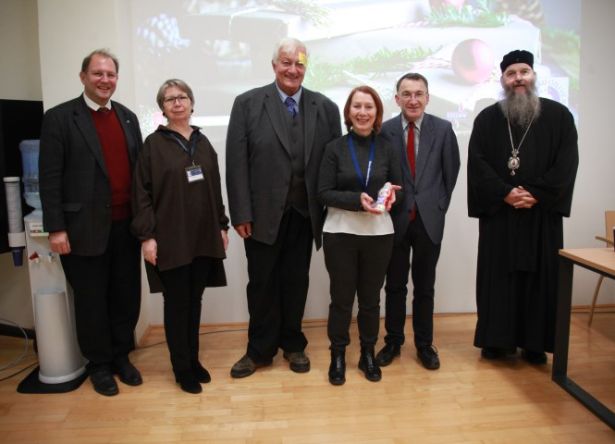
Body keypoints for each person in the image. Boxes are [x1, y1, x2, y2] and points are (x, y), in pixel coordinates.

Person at [226, 37, 341, 378]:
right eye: (287, 62)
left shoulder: (326, 108)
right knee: (261, 284)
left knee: (296, 282)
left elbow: (333, 165)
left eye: (300, 64)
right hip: (260, 216)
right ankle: (259, 350)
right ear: (274, 65)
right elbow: (236, 164)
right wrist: (241, 212)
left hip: (304, 214)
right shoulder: (247, 104)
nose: (293, 69)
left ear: (306, 68)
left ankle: (293, 344)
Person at [39, 49, 143, 396]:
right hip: (82, 229)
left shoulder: (128, 118)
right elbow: (49, 177)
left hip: (125, 227)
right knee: (91, 300)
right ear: (83, 76)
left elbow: (139, 177)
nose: (105, 80)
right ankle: (98, 365)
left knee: (125, 297)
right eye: (98, 73)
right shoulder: (60, 118)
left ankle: (120, 357)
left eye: (111, 74)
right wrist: (56, 228)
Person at [467, 50, 578, 364]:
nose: (518, 78)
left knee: (540, 280)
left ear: (534, 75)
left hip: (540, 217)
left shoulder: (559, 116)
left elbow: (567, 163)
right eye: (511, 73)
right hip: (501, 216)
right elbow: (477, 163)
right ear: (502, 79)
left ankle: (535, 343)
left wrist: (536, 193)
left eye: (524, 72)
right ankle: (496, 340)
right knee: (497, 279)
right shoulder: (488, 118)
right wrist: (505, 193)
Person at [131, 79, 229, 394]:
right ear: (162, 107)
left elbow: (215, 188)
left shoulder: (203, 142)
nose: (177, 102)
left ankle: (194, 360)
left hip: (202, 236)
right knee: (177, 303)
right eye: (170, 98)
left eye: (182, 97)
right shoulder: (153, 145)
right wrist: (147, 236)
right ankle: (181, 368)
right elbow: (141, 195)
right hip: (170, 238)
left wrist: (222, 225)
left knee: (194, 300)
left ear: (191, 103)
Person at [318, 86, 402, 385]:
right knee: (341, 299)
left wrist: (391, 196)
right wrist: (357, 200)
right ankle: (337, 355)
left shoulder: (389, 147)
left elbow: (398, 186)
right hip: (340, 232)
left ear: (377, 112)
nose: (363, 112)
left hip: (378, 234)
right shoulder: (334, 148)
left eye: (369, 107)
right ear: (348, 112)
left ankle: (368, 353)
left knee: (370, 300)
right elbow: (323, 192)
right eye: (357, 106)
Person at [376, 73, 460, 370]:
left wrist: (438, 206)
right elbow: (379, 174)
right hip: (395, 220)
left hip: (428, 221)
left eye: (419, 94)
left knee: (425, 287)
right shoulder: (384, 131)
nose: (413, 100)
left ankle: (424, 345)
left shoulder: (443, 129)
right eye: (406, 94)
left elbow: (450, 174)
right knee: (395, 286)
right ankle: (393, 342)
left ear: (427, 97)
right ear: (396, 98)